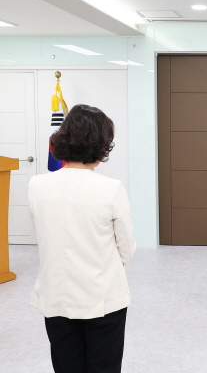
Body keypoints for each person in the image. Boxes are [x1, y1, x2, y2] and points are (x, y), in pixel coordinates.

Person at [28, 104, 136, 373]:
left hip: (56, 296)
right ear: (101, 145)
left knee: (66, 366)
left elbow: (44, 235)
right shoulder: (110, 189)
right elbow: (126, 248)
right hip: (102, 298)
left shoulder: (36, 185)